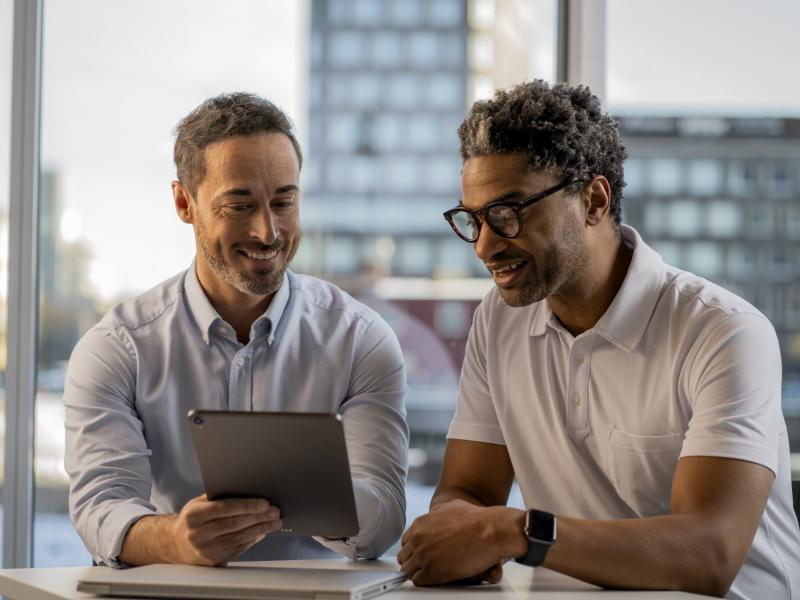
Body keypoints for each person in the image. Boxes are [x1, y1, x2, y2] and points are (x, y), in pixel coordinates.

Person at [397, 80, 800, 599]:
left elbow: (710, 552)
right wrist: (460, 529)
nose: (485, 246)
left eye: (508, 213)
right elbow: (468, 491)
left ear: (593, 199)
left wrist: (510, 532)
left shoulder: (723, 332)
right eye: (473, 220)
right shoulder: (498, 321)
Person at [64, 93, 408, 567]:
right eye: (239, 205)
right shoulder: (117, 348)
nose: (268, 232)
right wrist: (176, 541)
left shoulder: (360, 340)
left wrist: (323, 497)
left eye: (283, 201)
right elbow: (100, 507)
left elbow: (387, 517)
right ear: (185, 202)